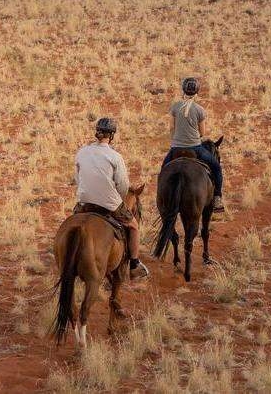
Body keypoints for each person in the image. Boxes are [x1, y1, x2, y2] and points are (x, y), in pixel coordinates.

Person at [74, 117, 149, 279]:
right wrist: (118, 199)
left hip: (84, 200)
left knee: (74, 222)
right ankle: (135, 264)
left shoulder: (82, 151)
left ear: (97, 132)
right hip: (108, 203)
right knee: (134, 226)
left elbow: (77, 178)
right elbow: (122, 185)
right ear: (112, 135)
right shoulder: (115, 156)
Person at [162, 77, 225, 212]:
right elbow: (202, 132)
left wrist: (177, 139)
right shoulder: (200, 110)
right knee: (216, 168)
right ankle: (218, 197)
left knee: (163, 171)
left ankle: (163, 199)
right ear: (197, 92)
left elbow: (171, 127)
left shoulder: (174, 107)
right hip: (195, 148)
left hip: (176, 148)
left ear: (183, 90)